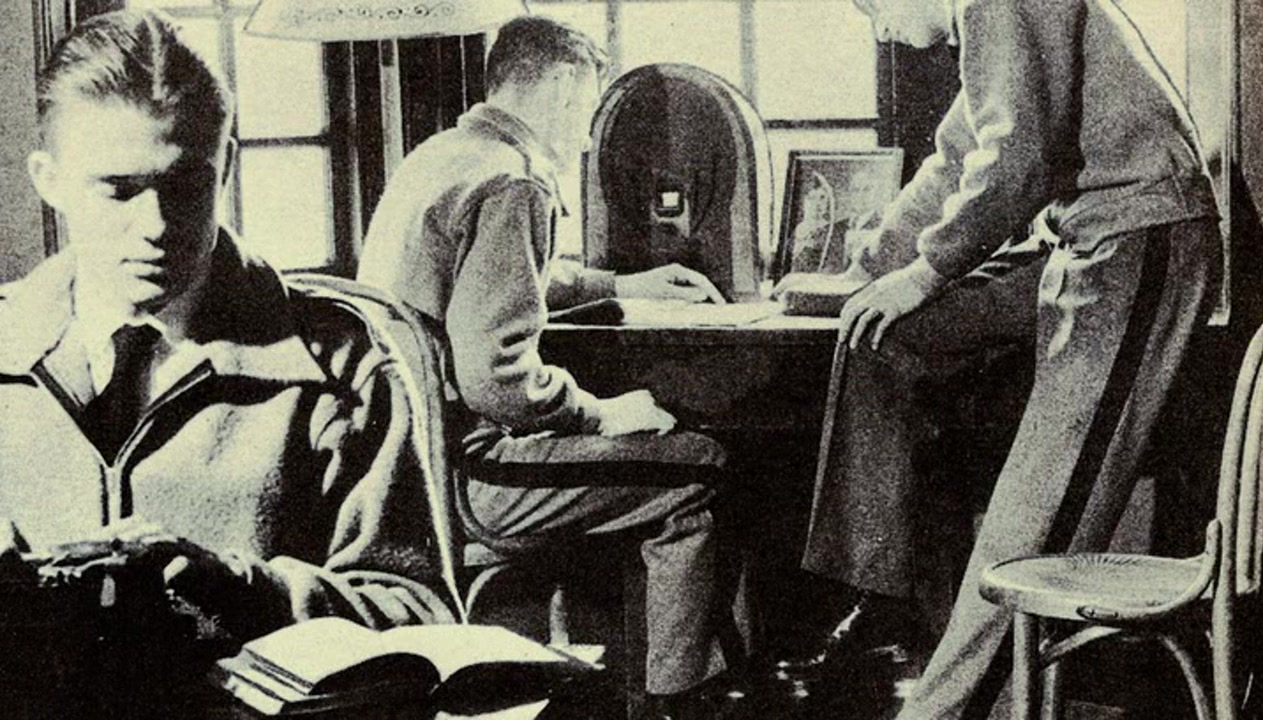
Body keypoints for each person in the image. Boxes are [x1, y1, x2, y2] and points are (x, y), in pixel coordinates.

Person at [0, 9, 451, 709]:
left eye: (186, 186)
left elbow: (420, 621)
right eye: (118, 190)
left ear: (227, 168)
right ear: (48, 180)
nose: (154, 227)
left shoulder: (338, 367)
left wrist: (239, 587)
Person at [822, 0, 1221, 716]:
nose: (880, 30)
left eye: (872, 7)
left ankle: (945, 710)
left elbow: (1017, 161)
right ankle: (881, 595)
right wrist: (872, 269)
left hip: (1137, 238)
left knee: (1031, 528)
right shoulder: (985, 18)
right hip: (1079, 244)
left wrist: (924, 272)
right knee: (883, 335)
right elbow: (956, 162)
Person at [356, 15, 740, 719]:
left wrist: (620, 285)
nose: (589, 137)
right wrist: (602, 413)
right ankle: (679, 703)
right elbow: (496, 379)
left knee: (668, 461)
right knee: (700, 467)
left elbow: (504, 274)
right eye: (588, 109)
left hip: (403, 470)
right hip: (474, 479)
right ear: (563, 85)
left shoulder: (443, 157)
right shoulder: (515, 181)